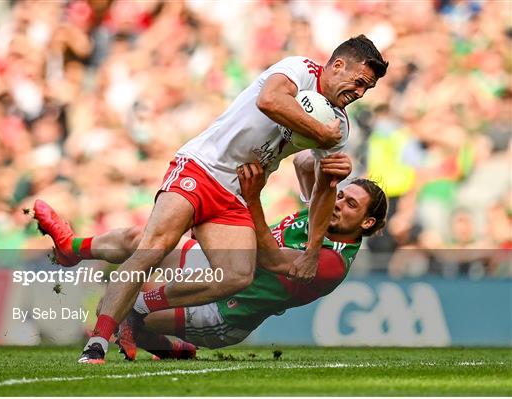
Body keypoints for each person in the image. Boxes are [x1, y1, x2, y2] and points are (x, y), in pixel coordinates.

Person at [34, 35, 388, 363]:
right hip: (202, 167)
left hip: (235, 193)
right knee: (151, 247)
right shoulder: (298, 70)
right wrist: (321, 136)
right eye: (359, 82)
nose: (360, 92)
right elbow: (270, 101)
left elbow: (325, 189)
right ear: (337, 65)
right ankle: (97, 341)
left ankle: (129, 307)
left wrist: (312, 250)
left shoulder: (338, 127)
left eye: (367, 89)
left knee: (237, 274)